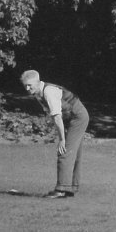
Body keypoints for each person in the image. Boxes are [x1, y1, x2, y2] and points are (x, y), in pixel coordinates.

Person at [20, 70, 89, 198]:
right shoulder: (38, 93)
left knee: (64, 151)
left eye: (30, 85)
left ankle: (61, 189)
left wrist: (62, 139)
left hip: (77, 117)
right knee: (73, 153)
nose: (27, 89)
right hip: (72, 118)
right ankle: (71, 188)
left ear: (37, 82)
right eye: (25, 86)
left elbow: (57, 117)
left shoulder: (48, 92)